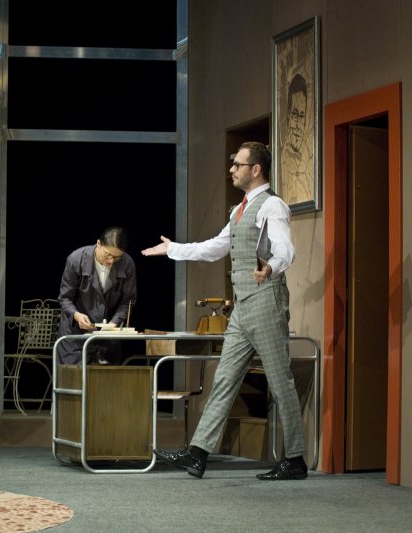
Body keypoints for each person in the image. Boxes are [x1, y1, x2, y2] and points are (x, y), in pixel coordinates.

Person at [141, 141, 308, 480]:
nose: (232, 170)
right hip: (243, 307)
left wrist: (271, 268)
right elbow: (215, 248)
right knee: (224, 379)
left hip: (266, 301)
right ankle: (197, 454)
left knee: (280, 381)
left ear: (255, 170)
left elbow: (285, 249)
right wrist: (173, 249)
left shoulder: (271, 205)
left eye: (238, 165)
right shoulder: (238, 211)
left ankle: (295, 459)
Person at [57, 226, 137, 365]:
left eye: (117, 257)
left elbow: (128, 301)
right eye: (107, 255)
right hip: (75, 336)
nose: (111, 261)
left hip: (108, 335)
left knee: (105, 377)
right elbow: (65, 298)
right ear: (98, 244)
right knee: (73, 377)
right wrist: (76, 315)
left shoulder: (127, 264)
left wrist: (113, 323)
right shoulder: (76, 259)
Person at [279, 73, 313, 205]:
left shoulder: (309, 155)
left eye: (302, 116)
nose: (298, 124)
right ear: (288, 117)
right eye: (295, 115)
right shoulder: (283, 157)